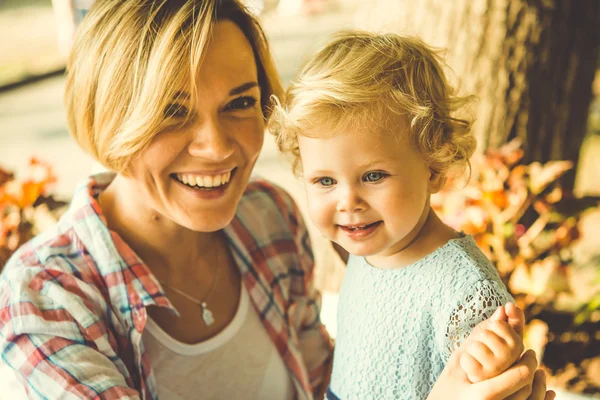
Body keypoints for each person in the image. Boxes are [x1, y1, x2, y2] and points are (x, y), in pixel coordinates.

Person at [0, 1, 550, 399]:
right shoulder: (43, 297)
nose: (217, 147)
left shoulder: (268, 217)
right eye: (173, 110)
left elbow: (331, 378)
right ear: (110, 117)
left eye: (241, 101)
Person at [271, 30, 553, 399]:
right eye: (325, 180)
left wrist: (494, 370)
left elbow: (497, 389)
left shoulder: (465, 293)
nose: (347, 202)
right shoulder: (368, 247)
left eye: (373, 176)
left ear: (434, 167)